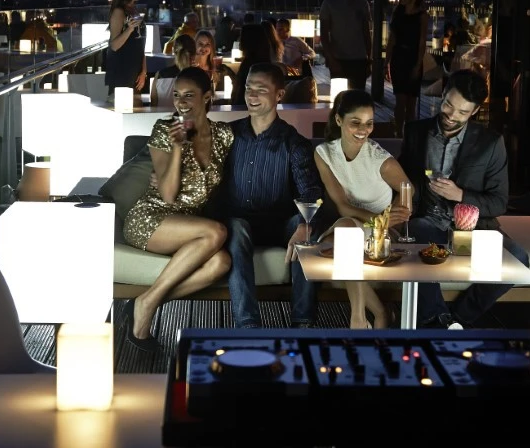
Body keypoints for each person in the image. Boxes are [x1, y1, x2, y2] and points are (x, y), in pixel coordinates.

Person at [398, 68, 523, 329]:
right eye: (448, 105)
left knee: (518, 258)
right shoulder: (415, 132)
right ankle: (436, 319)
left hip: (474, 228)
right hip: (428, 221)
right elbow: (401, 178)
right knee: (416, 236)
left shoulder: (490, 143)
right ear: (443, 95)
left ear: (475, 111)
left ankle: (457, 318)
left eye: (462, 112)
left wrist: (461, 195)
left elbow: (499, 202)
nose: (452, 116)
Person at [121, 66, 234, 351]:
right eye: (176, 95)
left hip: (190, 228)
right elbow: (169, 195)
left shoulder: (224, 135)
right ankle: (145, 307)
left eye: (189, 95)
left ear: (207, 97)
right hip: (151, 219)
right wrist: (177, 148)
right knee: (216, 233)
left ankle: (148, 300)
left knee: (221, 263)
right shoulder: (164, 130)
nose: (180, 102)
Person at [212, 63, 324, 328]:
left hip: (279, 224)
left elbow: (311, 191)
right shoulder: (228, 134)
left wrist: (305, 224)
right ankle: (248, 326)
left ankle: (303, 324)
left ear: (279, 95)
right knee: (236, 227)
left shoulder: (293, 142)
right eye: (248, 88)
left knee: (307, 231)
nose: (251, 95)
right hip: (239, 223)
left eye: (261, 89)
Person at [314, 89, 412, 329]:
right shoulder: (324, 154)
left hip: (381, 232)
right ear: (339, 120)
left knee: (344, 239)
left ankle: (358, 319)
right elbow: (343, 206)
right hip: (355, 221)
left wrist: (391, 218)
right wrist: (377, 219)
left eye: (369, 123)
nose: (363, 130)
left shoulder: (380, 160)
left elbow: (408, 189)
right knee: (343, 236)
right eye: (355, 122)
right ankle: (378, 313)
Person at [384, 0, 429, 137]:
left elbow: (422, 42)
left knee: (411, 102)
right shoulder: (398, 14)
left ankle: (409, 135)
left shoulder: (422, 16)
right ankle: (398, 132)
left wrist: (418, 64)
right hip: (399, 58)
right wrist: (386, 62)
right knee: (400, 99)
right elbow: (392, 40)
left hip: (412, 58)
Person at [319, 0, 371, 91]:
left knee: (357, 95)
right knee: (340, 96)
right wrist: (331, 59)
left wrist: (369, 59)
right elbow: (324, 34)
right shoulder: (330, 4)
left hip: (359, 59)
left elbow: (366, 33)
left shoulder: (363, 4)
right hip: (339, 59)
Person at [104, 0, 146, 101]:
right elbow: (114, 45)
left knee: (136, 107)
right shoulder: (119, 12)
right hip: (122, 71)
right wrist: (129, 29)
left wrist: (144, 70)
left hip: (135, 72)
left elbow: (140, 44)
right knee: (123, 106)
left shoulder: (134, 10)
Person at [149, 34, 196, 108]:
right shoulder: (198, 77)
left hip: (162, 115)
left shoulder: (159, 75)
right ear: (194, 53)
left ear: (173, 50)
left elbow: (153, 106)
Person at [192, 29, 236, 95]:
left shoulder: (215, 66)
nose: (204, 47)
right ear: (195, 45)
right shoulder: (191, 65)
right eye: (200, 44)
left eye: (207, 44)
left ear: (211, 47)